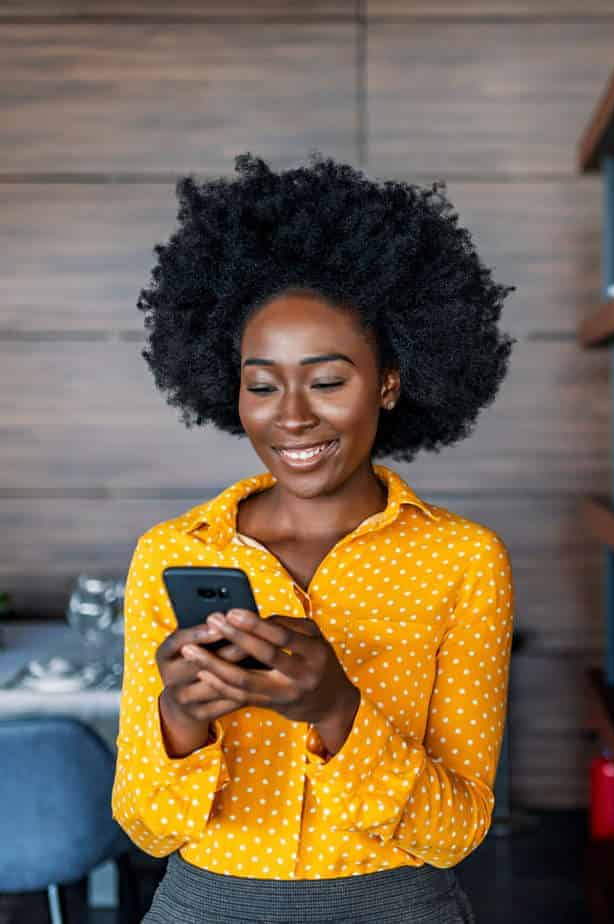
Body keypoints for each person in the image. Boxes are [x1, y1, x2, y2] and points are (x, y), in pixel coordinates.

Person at [111, 152, 517, 924]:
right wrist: (182, 720)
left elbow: (455, 831)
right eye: (262, 384)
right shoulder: (173, 552)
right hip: (204, 906)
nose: (290, 415)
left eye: (327, 381)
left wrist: (336, 710)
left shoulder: (462, 559)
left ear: (389, 382)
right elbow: (146, 823)